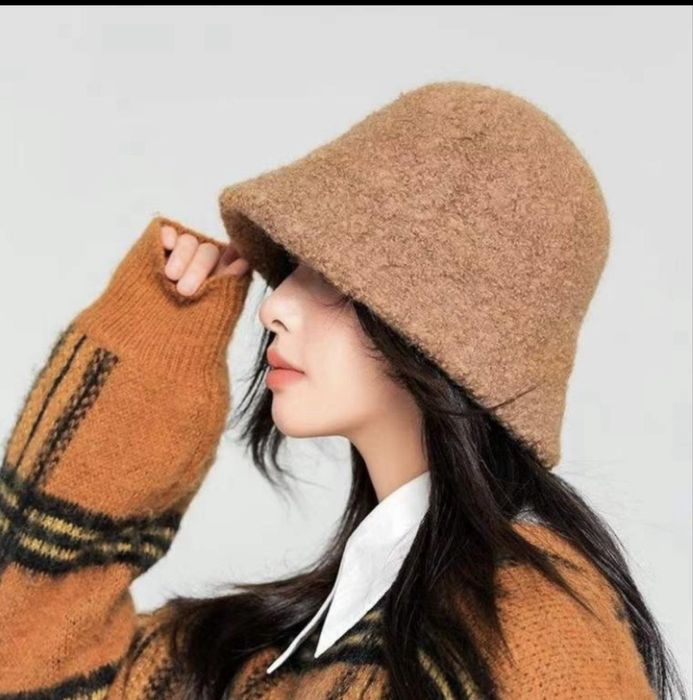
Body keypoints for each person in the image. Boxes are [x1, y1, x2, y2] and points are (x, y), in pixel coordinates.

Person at [0, 82, 686, 700]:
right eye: (293, 268)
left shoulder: (526, 630)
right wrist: (159, 339)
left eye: (330, 276)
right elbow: (28, 662)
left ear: (452, 329)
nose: (273, 306)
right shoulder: (276, 652)